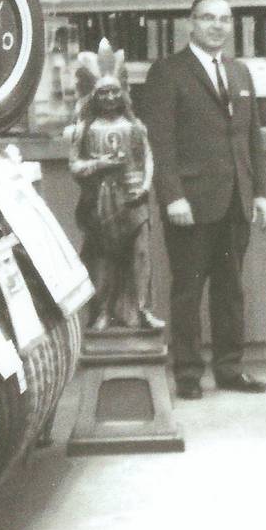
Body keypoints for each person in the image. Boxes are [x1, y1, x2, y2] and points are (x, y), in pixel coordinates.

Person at [140, 0, 266, 399]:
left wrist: (262, 194)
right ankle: (187, 375)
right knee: (188, 290)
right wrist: (171, 197)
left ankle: (230, 369)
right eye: (208, 18)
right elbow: (159, 143)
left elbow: (253, 140)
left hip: (236, 200)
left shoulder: (240, 73)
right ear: (191, 24)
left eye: (224, 19)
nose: (217, 26)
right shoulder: (168, 72)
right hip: (191, 203)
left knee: (230, 289)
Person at [67, 42, 162, 333]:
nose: (109, 97)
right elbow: (75, 165)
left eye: (114, 92)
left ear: (123, 94)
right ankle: (102, 311)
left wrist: (145, 186)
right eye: (103, 93)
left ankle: (142, 308)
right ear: (94, 96)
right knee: (103, 258)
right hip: (100, 202)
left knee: (141, 253)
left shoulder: (136, 126)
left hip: (133, 198)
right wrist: (99, 165)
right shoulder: (85, 129)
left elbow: (147, 158)